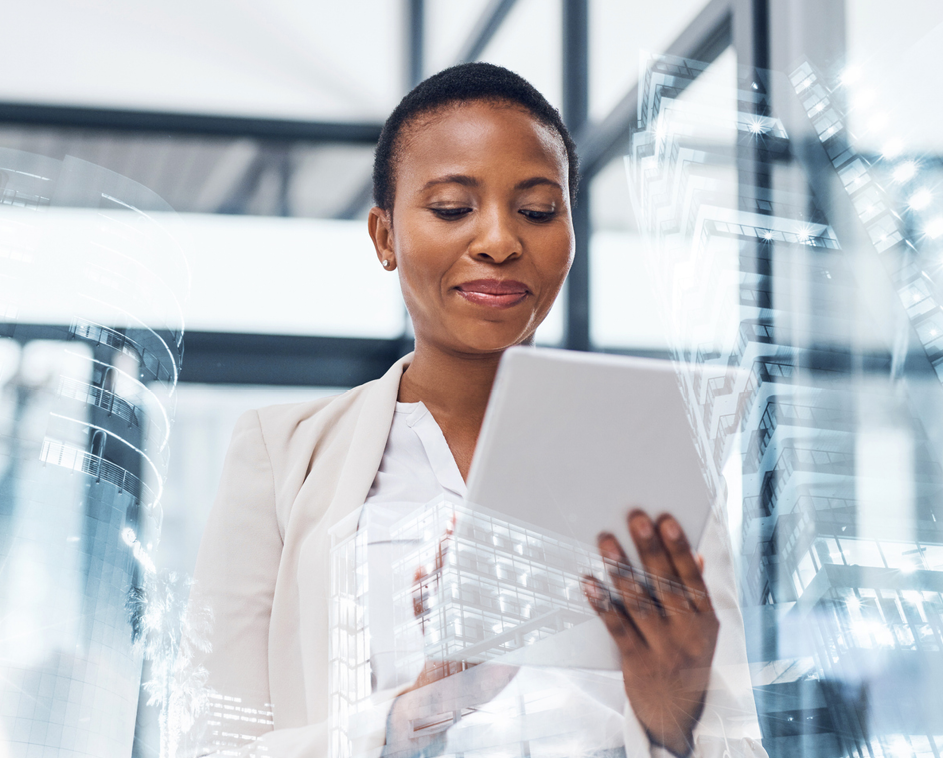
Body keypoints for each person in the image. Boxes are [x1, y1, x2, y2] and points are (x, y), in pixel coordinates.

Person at [183, 62, 765, 758]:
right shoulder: (283, 456)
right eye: (453, 208)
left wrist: (672, 720)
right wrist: (412, 718)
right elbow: (211, 746)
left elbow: (735, 745)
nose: (498, 241)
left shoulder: (658, 461)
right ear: (384, 237)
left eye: (538, 211)